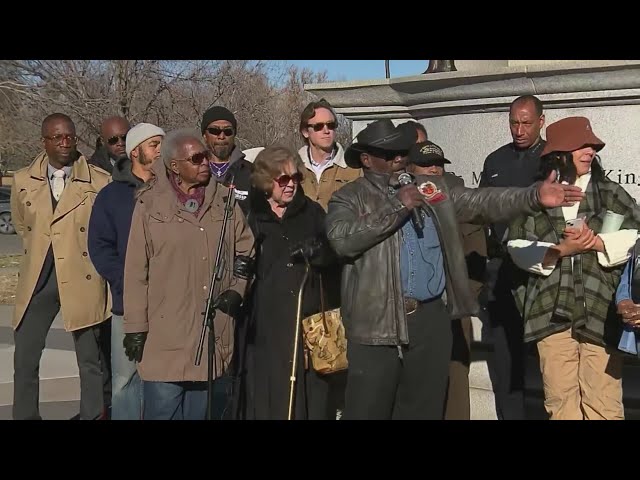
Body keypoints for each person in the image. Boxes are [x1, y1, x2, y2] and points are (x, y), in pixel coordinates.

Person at [325, 119, 584, 420]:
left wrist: (533, 196)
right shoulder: (349, 197)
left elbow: (481, 201)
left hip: (430, 319)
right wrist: (397, 206)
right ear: (366, 159)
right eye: (388, 153)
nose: (398, 158)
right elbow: (342, 240)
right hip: (376, 325)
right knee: (369, 411)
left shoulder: (429, 188)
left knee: (424, 411)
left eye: (401, 151)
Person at [507, 116, 640, 420]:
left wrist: (599, 245)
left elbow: (638, 236)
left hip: (601, 310)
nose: (590, 151)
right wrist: (560, 251)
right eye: (581, 145)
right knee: (560, 401)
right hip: (551, 312)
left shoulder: (610, 193)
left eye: (592, 146)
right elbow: (515, 245)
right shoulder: (537, 195)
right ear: (559, 153)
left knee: (603, 402)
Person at [122, 129, 254, 420]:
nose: (205, 162)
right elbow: (135, 272)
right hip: (164, 337)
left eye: (205, 156)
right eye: (196, 159)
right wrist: (134, 327)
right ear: (174, 167)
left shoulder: (224, 201)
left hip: (210, 333)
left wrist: (237, 289)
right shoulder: (148, 206)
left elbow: (246, 249)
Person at [10, 113, 112, 420]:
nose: (65, 143)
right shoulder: (22, 180)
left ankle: (93, 415)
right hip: (38, 280)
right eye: (57, 138)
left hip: (82, 278)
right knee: (25, 359)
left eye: (70, 137)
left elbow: (104, 233)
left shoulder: (99, 180)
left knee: (90, 361)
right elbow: (22, 227)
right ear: (44, 142)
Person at [236, 146, 339, 420]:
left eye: (295, 177)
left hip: (309, 322)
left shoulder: (312, 213)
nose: (291, 184)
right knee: (271, 397)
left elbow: (335, 253)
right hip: (267, 326)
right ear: (266, 182)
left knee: (313, 399)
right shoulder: (250, 217)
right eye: (283, 179)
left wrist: (319, 253)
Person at [88, 123, 165, 420]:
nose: (160, 150)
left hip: (167, 304)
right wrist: (127, 281)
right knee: (125, 381)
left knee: (164, 380)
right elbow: (100, 247)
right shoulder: (111, 196)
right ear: (136, 152)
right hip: (127, 304)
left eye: (162, 144)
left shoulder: (170, 191)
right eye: (154, 145)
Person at [406, 140, 487, 420]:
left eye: (438, 164)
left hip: (451, 310)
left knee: (454, 386)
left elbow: (477, 252)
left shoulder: (460, 200)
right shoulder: (398, 200)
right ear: (410, 168)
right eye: (426, 165)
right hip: (410, 312)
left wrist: (463, 295)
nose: (433, 170)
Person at [479, 94, 546, 420]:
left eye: (526, 123)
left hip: (543, 272)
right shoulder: (495, 161)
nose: (519, 130)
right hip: (501, 272)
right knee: (505, 365)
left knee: (550, 362)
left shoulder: (554, 159)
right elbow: (478, 212)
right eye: (513, 123)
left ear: (541, 122)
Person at [298, 99, 361, 211]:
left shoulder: (354, 168)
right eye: (318, 126)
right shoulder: (293, 168)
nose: (326, 131)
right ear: (305, 132)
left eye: (331, 125)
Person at [201, 106, 252, 215]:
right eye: (214, 131)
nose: (222, 136)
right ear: (204, 135)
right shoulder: (192, 170)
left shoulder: (251, 172)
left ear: (234, 135)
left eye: (228, 131)